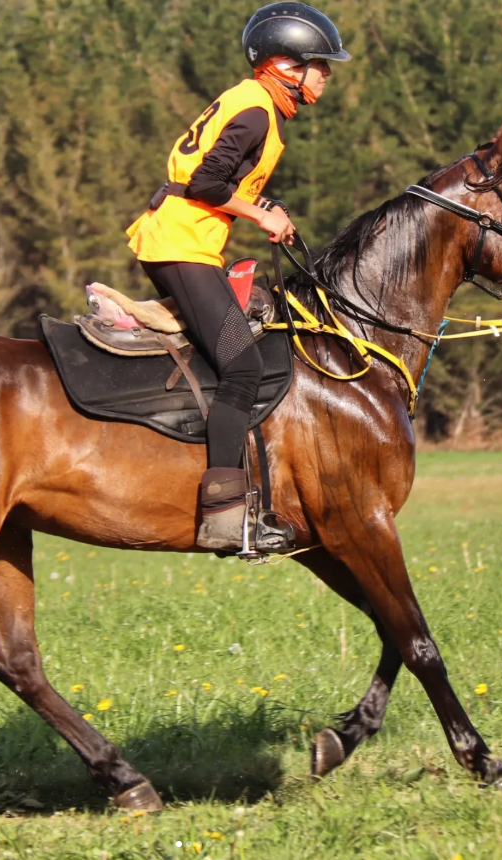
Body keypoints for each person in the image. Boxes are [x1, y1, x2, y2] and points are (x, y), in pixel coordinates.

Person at [126, 2, 350, 551]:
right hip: (180, 246)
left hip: (187, 244)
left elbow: (227, 181)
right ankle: (225, 518)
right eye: (320, 64)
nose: (327, 75)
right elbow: (205, 183)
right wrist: (260, 214)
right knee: (243, 369)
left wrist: (267, 207)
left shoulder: (256, 107)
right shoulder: (256, 111)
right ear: (285, 66)